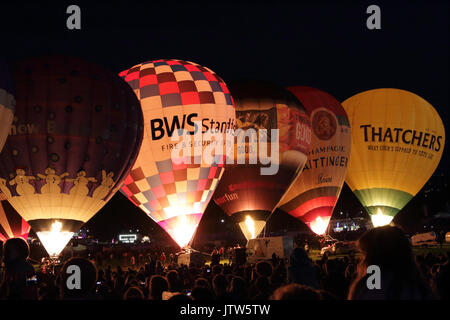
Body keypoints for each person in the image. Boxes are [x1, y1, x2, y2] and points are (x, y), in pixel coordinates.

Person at [348, 225, 435, 300]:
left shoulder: (374, 288)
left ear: (375, 256)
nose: (361, 261)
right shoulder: (420, 287)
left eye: (364, 254)